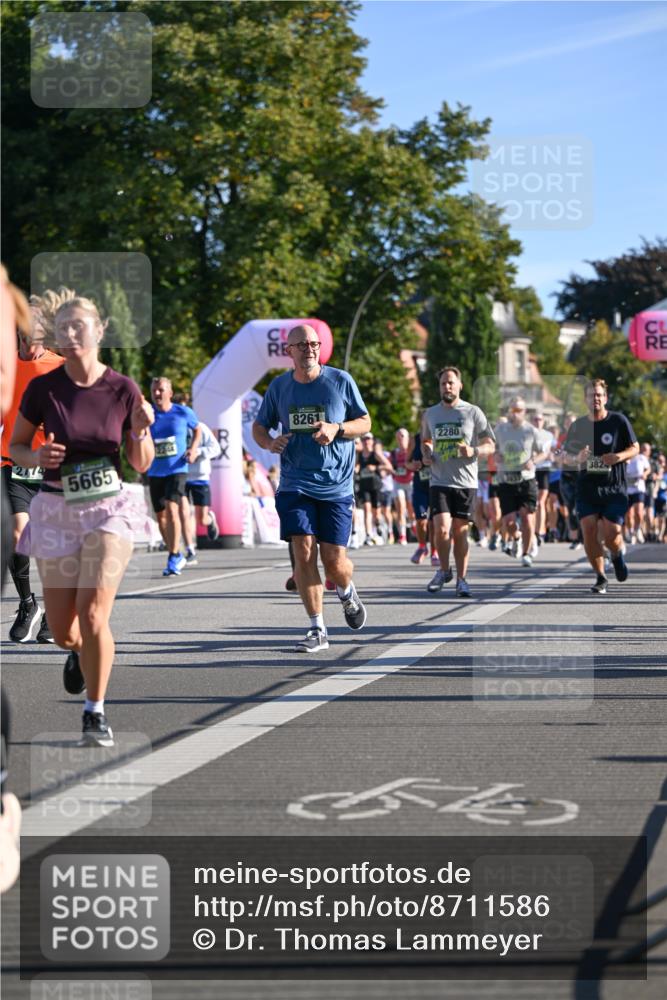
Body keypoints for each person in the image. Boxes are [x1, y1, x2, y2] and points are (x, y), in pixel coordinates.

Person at [10, 296, 155, 746]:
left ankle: (95, 712)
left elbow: (141, 462)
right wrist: (37, 455)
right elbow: (16, 446)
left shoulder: (123, 389)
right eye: (64, 327)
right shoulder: (44, 388)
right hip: (55, 507)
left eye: (80, 326)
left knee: (94, 614)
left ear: (100, 330)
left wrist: (140, 430)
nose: (71, 334)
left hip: (108, 508)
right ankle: (77, 653)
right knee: (65, 630)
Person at [252, 323, 370, 652]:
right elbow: (259, 426)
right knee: (303, 550)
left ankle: (347, 593)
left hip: (336, 484)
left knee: (334, 562)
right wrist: (270, 440)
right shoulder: (279, 388)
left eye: (314, 344)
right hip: (295, 481)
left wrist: (337, 428)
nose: (309, 349)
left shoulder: (340, 381)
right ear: (289, 351)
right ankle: (316, 627)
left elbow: (365, 422)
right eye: (302, 345)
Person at [2, 285, 65, 644]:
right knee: (17, 536)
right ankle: (28, 603)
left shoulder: (58, 366)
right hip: (11, 463)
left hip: (52, 466)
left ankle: (53, 613)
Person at [421, 366, 495, 597]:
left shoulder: (473, 412)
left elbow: (490, 445)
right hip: (439, 480)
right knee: (441, 529)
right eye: (443, 383)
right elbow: (426, 439)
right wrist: (426, 452)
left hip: (465, 482)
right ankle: (444, 571)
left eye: (451, 383)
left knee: (460, 532)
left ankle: (462, 579)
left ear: (460, 385)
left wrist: (472, 450)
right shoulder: (430, 414)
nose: (447, 387)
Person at [562, 378, 639, 594]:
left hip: (614, 487)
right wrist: (577, 457)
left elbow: (635, 448)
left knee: (611, 533)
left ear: (605, 398)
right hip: (587, 487)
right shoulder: (578, 426)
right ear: (585, 399)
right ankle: (600, 577)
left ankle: (616, 554)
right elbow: (565, 457)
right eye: (591, 395)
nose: (595, 398)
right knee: (588, 529)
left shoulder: (618, 421)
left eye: (598, 395)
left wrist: (618, 456)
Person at [147, 377, 201, 576]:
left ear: (170, 392)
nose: (157, 394)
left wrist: (193, 449)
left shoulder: (183, 412)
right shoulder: (148, 414)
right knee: (161, 518)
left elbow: (197, 429)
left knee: (172, 509)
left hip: (177, 468)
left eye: (161, 390)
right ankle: (175, 553)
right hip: (154, 470)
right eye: (154, 391)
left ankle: (174, 554)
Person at [494, 397, 549, 567]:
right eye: (513, 410)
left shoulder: (531, 431)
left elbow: (543, 453)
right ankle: (516, 537)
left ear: (524, 412)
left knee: (527, 518)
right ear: (509, 411)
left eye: (519, 410)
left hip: (526, 479)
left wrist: (534, 461)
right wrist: (496, 455)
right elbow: (493, 448)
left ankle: (526, 553)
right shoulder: (500, 429)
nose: (515, 413)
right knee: (509, 522)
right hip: (506, 480)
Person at [184, 419, 221, 554]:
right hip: (181, 476)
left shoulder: (202, 428)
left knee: (202, 520)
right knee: (184, 514)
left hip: (200, 478)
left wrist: (197, 451)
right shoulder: (174, 428)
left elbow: (216, 449)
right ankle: (190, 548)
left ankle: (210, 519)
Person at [356, 433, 392, 545]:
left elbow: (389, 467)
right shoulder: (360, 454)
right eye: (364, 439)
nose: (366, 441)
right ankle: (368, 535)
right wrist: (356, 469)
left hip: (375, 486)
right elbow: (356, 466)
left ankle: (379, 527)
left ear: (372, 441)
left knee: (376, 512)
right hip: (364, 486)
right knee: (367, 509)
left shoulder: (375, 454)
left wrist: (376, 467)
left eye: (369, 439)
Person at [407, 427, 436, 565]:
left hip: (436, 485)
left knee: (434, 522)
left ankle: (435, 552)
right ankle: (422, 547)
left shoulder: (438, 437)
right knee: (421, 519)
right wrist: (413, 465)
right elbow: (406, 463)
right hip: (420, 486)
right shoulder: (415, 439)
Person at [530, 411, 555, 546]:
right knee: (534, 503)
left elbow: (557, 449)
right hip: (532, 470)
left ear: (543, 421)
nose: (538, 421)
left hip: (544, 469)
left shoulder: (549, 435)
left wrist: (553, 454)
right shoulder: (527, 433)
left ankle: (540, 532)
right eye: (535, 419)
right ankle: (533, 531)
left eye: (540, 419)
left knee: (541, 501)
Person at [390, 428, 414, 544]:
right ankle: (402, 535)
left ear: (408, 438)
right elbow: (388, 466)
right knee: (400, 507)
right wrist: (390, 470)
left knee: (411, 509)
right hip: (398, 483)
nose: (400, 438)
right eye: (398, 436)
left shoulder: (412, 451)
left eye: (403, 436)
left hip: (410, 482)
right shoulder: (394, 453)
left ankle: (413, 523)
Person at [624, 442, 651, 544]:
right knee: (628, 514)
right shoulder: (625, 458)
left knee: (639, 513)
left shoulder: (641, 458)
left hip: (638, 488)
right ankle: (631, 532)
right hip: (627, 489)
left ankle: (637, 529)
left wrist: (645, 474)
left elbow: (648, 468)